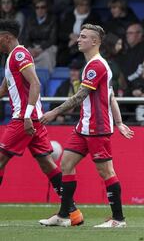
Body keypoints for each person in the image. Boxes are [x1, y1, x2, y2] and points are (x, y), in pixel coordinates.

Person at [39, 24, 134, 228]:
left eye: (84, 37)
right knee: (66, 165)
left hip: (97, 128)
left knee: (106, 172)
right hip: (84, 126)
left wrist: (54, 111)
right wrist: (119, 122)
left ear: (95, 42)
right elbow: (111, 96)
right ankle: (65, 215)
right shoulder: (94, 64)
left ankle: (118, 219)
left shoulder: (96, 66)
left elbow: (80, 96)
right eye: (80, 36)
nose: (79, 39)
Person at [0, 19, 83, 226]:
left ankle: (70, 211)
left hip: (23, 119)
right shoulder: (11, 57)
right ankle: (72, 212)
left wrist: (27, 115)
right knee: (47, 164)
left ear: (6, 37)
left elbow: (36, 83)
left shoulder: (19, 54)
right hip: (31, 119)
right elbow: (4, 89)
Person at [57, 0, 101, 66]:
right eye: (82, 5)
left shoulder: (94, 17)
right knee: (61, 59)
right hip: (68, 46)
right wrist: (69, 36)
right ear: (76, 5)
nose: (85, 7)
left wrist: (78, 39)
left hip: (86, 48)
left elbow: (96, 34)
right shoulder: (69, 16)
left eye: (86, 5)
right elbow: (60, 33)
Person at [23, 0, 58, 72]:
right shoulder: (30, 19)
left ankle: (45, 80)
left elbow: (53, 39)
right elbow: (26, 38)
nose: (40, 10)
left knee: (47, 56)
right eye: (37, 7)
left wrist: (40, 49)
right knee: (23, 56)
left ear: (46, 8)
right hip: (32, 47)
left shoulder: (52, 19)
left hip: (47, 47)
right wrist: (31, 49)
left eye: (43, 7)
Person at [50, 59, 84, 124]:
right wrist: (59, 115)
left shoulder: (84, 85)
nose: (73, 73)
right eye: (71, 70)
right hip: (63, 116)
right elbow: (54, 103)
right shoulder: (64, 85)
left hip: (78, 117)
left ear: (80, 72)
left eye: (75, 70)